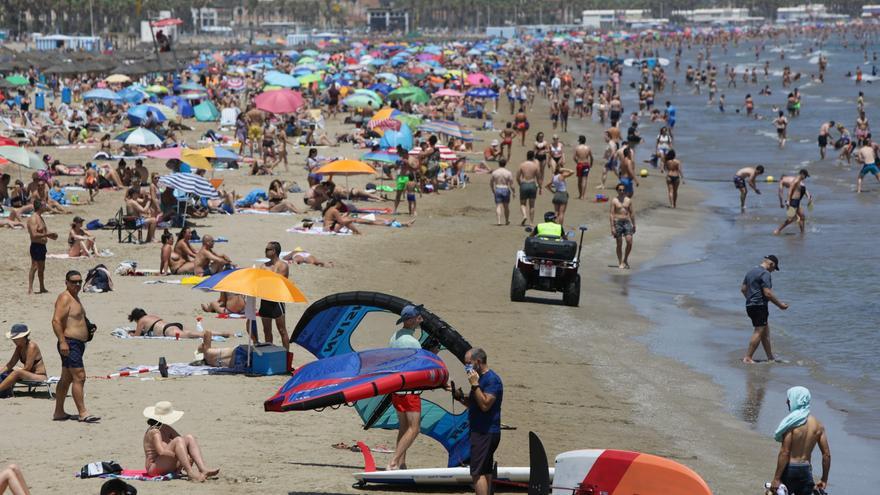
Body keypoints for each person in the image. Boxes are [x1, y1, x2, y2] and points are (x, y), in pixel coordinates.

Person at [448, 348, 503, 495]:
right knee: (485, 469)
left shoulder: (492, 380)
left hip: (486, 432)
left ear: (478, 362)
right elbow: (476, 403)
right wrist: (460, 397)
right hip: (481, 431)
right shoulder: (480, 378)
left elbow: (485, 405)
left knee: (477, 473)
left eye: (468, 363)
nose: (466, 367)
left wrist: (475, 385)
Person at [52, 270, 99, 423]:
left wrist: (88, 327)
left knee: (66, 378)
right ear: (66, 283)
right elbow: (56, 321)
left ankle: (59, 412)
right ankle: (83, 413)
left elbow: (74, 319)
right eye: (74, 282)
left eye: (79, 281)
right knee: (79, 377)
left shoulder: (75, 298)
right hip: (69, 343)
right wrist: (62, 341)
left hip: (76, 344)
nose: (77, 285)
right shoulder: (64, 297)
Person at [769, 387, 831, 495]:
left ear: (796, 400)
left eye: (789, 398)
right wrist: (824, 479)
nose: (787, 402)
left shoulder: (792, 424)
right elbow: (826, 455)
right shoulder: (818, 425)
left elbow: (785, 452)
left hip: (790, 471)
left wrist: (777, 478)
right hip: (806, 471)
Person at [387, 305, 425, 470]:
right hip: (409, 391)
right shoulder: (412, 341)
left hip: (396, 389)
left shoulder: (395, 336)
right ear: (410, 320)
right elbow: (420, 366)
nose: (421, 318)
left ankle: (401, 464)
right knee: (414, 429)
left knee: (404, 427)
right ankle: (393, 461)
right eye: (418, 316)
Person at [142, 401, 219, 482]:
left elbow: (182, 441)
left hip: (166, 463)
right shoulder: (154, 431)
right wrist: (181, 456)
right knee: (178, 440)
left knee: (189, 437)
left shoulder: (166, 428)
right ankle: (190, 473)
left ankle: (203, 469)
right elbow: (161, 452)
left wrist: (187, 455)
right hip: (154, 468)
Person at [741, 255, 788, 364]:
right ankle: (748, 357)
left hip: (750, 306)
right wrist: (780, 305)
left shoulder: (751, 271)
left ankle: (770, 357)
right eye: (774, 268)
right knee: (759, 331)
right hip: (759, 306)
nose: (773, 271)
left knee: (765, 332)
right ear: (771, 264)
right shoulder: (765, 273)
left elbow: (743, 289)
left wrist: (751, 300)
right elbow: (768, 293)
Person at [0, 324, 47, 397]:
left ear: (23, 337)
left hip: (39, 376)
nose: (13, 340)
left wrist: (14, 371)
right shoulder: (19, 347)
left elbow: (27, 368)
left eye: (16, 338)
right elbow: (11, 364)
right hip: (28, 374)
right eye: (13, 338)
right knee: (1, 368)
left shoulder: (31, 346)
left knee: (17, 372)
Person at [260, 241, 290, 351]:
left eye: (268, 249)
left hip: (277, 300)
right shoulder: (263, 266)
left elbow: (278, 282)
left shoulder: (283, 265)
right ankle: (270, 354)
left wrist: (265, 279)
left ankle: (286, 356)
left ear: (274, 251)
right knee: (266, 330)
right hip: (265, 299)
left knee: (282, 330)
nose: (265, 251)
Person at [27, 200, 57, 294]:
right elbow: (34, 234)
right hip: (36, 246)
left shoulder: (41, 218)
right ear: (40, 206)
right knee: (34, 266)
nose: (46, 206)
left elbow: (44, 232)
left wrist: (52, 236)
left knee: (42, 268)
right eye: (44, 205)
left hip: (42, 246)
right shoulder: (33, 219)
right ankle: (30, 288)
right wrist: (47, 235)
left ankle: (42, 287)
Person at [774, 169, 812, 235]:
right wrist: (808, 196)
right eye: (805, 176)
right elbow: (791, 190)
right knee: (792, 218)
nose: (805, 178)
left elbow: (781, 193)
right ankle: (777, 230)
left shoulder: (795, 180)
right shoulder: (795, 179)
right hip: (795, 199)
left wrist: (782, 203)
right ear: (802, 174)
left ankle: (802, 233)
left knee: (802, 217)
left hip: (796, 199)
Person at [610, 183, 635, 270]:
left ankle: (625, 259)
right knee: (619, 243)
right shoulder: (614, 201)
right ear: (617, 190)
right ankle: (620, 262)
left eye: (623, 190)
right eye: (620, 190)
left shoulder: (628, 200)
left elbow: (632, 213)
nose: (622, 191)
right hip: (618, 222)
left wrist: (634, 224)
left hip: (627, 222)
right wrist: (612, 227)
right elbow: (611, 214)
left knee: (629, 241)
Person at [516, 151, 539, 227]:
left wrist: (520, 184)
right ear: (533, 157)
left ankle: (524, 215)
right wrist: (540, 186)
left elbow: (517, 177)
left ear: (527, 156)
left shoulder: (522, 165)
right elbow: (538, 177)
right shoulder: (535, 166)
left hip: (524, 184)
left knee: (523, 203)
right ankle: (531, 222)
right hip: (532, 184)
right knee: (532, 205)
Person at [489, 158, 515, 226]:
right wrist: (514, 192)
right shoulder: (508, 172)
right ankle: (506, 220)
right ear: (505, 164)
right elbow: (511, 184)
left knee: (498, 206)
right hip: (505, 188)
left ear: (499, 163)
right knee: (506, 206)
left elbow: (491, 182)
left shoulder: (495, 172)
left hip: (498, 188)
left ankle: (499, 221)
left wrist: (493, 190)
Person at [573, 135, 593, 200]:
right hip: (586, 164)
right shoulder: (588, 148)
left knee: (579, 180)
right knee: (584, 180)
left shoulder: (577, 148)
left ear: (579, 141)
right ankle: (583, 196)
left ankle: (580, 194)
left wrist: (577, 163)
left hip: (580, 164)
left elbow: (574, 158)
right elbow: (591, 157)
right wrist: (591, 164)